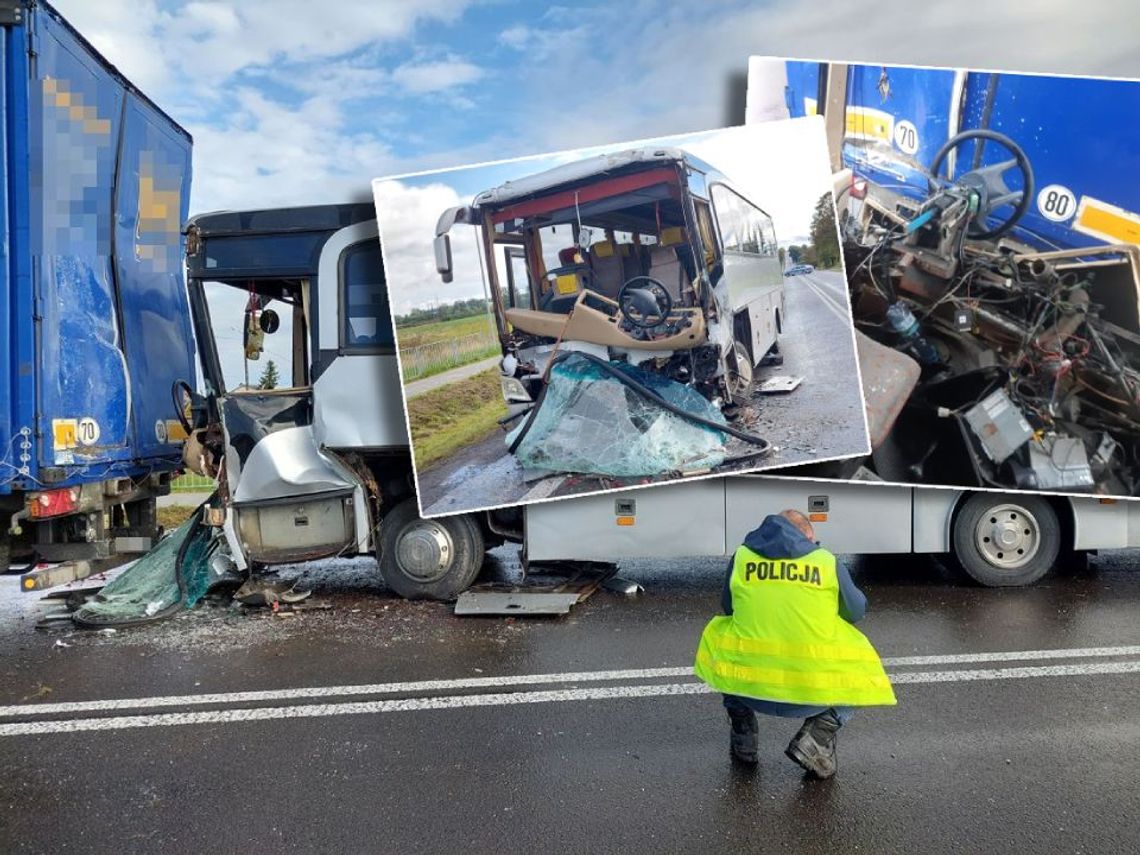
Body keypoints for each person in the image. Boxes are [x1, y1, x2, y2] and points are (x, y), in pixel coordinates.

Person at [693, 509, 896, 778]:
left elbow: (729, 606)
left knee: (724, 634)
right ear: (807, 535)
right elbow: (856, 612)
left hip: (748, 688)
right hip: (811, 694)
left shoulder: (742, 557)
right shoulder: (825, 561)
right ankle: (817, 736)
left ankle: (744, 735)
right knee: (862, 663)